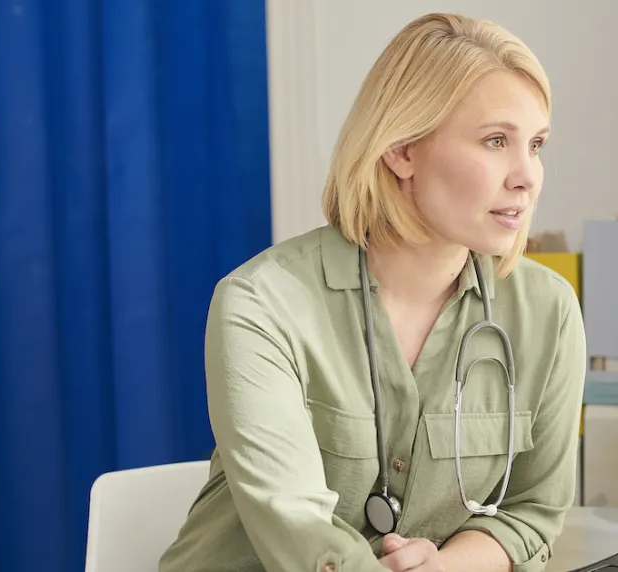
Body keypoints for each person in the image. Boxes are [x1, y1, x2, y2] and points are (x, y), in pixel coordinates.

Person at [158, 12, 586, 572]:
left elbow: (531, 511)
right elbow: (300, 530)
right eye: (496, 140)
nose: (526, 175)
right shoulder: (261, 306)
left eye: (536, 145)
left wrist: (449, 566)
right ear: (401, 149)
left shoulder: (548, 314)